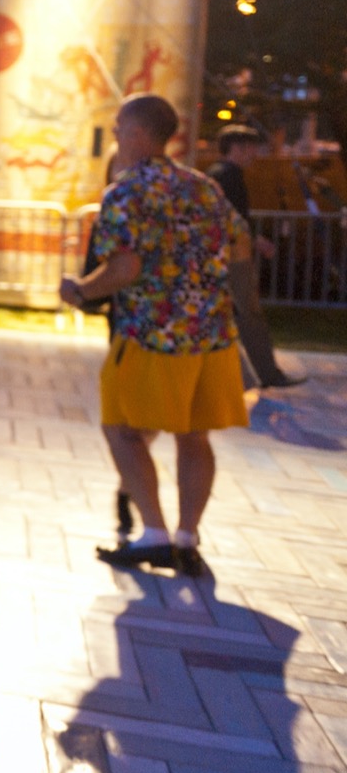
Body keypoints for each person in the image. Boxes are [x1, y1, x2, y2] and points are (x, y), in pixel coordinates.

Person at [59, 93, 250, 577]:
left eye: (120, 126)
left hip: (153, 332)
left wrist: (81, 291)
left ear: (139, 133)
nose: (117, 135)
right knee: (193, 435)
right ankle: (188, 538)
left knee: (121, 430)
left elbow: (125, 267)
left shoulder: (126, 192)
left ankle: (155, 534)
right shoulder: (204, 187)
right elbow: (241, 241)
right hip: (211, 333)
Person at [207, 125, 305, 388]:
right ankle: (265, 375)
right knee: (248, 314)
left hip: (221, 255)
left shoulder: (218, 175)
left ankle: (249, 375)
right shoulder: (229, 177)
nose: (257, 155)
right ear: (237, 149)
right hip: (232, 257)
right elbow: (231, 219)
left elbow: (233, 217)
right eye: (252, 149)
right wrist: (252, 242)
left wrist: (256, 240)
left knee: (229, 316)